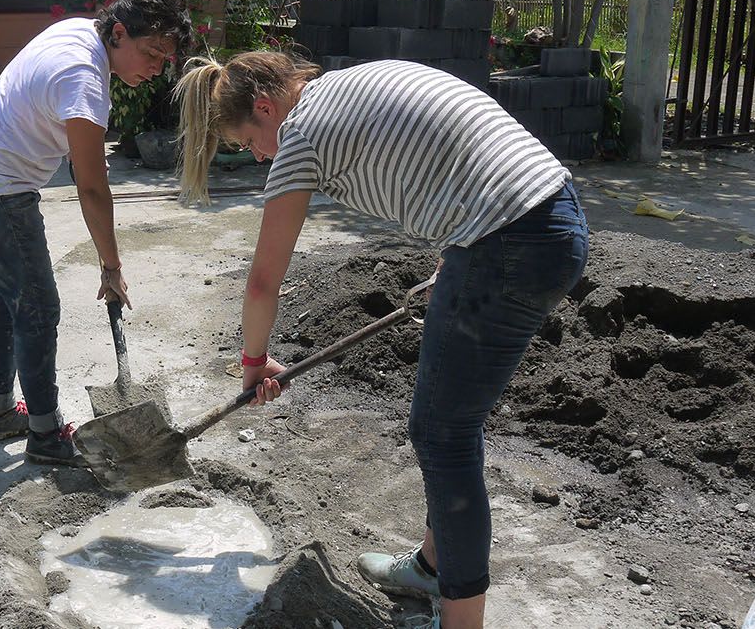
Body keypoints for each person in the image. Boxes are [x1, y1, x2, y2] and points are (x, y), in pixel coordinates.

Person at [175, 53, 589, 628]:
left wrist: (252, 362)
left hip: (509, 241)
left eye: (248, 141)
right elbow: (454, 157)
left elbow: (265, 279)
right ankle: (430, 566)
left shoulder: (298, 135)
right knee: (449, 424)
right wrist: (458, 256)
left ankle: (462, 621)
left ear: (266, 109)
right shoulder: (348, 85)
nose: (259, 155)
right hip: (549, 216)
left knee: (442, 436)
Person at [0, 0, 191, 467]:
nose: (157, 69)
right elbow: (92, 186)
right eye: (152, 53)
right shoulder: (84, 80)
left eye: (165, 60)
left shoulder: (81, 32)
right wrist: (111, 266)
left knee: (9, 293)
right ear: (119, 32)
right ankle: (46, 434)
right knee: (37, 307)